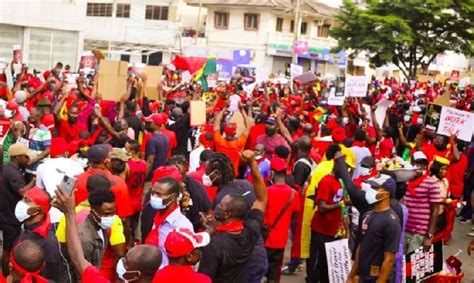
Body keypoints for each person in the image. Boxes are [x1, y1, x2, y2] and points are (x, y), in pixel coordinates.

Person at [53, 187, 163, 283]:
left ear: (136, 274)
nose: (121, 261)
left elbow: (80, 263)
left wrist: (69, 213)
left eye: (126, 261)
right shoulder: (88, 235)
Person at [198, 150, 267, 283]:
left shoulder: (222, 198)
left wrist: (207, 227)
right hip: (258, 255)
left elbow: (218, 229)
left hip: (239, 264)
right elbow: (261, 198)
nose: (205, 175)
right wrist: (252, 163)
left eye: (207, 172)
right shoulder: (245, 184)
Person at [56, 174, 127, 282]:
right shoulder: (84, 238)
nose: (111, 218)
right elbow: (81, 270)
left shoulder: (101, 225)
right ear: (93, 212)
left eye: (113, 213)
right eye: (107, 214)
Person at [347, 175, 402, 283]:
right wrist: (351, 276)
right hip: (362, 276)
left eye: (375, 188)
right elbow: (360, 247)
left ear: (386, 194)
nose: (370, 191)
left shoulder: (391, 222)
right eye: (371, 187)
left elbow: (389, 259)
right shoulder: (367, 216)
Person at [307, 144, 347, 283]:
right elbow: (322, 207)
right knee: (316, 264)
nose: (346, 170)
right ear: (335, 165)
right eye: (343, 166)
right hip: (321, 231)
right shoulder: (326, 181)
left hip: (332, 232)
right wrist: (342, 204)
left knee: (327, 267)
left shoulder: (339, 182)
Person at [142, 177, 194, 268]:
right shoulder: (157, 217)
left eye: (159, 194)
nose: (154, 197)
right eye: (153, 193)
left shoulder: (182, 226)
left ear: (173, 197)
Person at [0, 143, 35, 275]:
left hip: (3, 212)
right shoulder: (14, 173)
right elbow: (23, 191)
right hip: (10, 218)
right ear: (18, 157)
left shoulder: (5, 168)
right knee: (8, 251)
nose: (28, 160)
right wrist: (34, 180)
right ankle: (6, 276)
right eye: (26, 157)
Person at [264, 157, 299, 283]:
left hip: (265, 239)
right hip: (281, 241)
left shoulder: (266, 192)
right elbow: (294, 215)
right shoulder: (293, 194)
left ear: (272, 173)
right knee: (275, 272)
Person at [14, 187, 61, 281]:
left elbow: (51, 277)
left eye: (27, 201)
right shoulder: (26, 228)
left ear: (39, 210)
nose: (21, 203)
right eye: (23, 199)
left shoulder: (49, 244)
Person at [404, 154, 443, 253]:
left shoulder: (431, 183)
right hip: (404, 229)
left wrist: (429, 235)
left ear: (426, 166)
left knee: (411, 263)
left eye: (422, 164)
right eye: (416, 163)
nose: (419, 167)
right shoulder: (405, 182)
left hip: (420, 232)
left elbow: (435, 210)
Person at [213, 106, 250, 176]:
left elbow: (216, 124)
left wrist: (223, 108)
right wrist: (242, 109)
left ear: (224, 132)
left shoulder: (219, 141)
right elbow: (248, 126)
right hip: (233, 175)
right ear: (235, 132)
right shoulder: (238, 144)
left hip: (220, 174)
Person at [125, 140, 147, 242]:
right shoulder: (144, 164)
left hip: (128, 200)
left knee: (126, 229)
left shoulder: (127, 165)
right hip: (138, 200)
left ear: (132, 151)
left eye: (126, 149)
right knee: (134, 227)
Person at [143, 113, 170, 181]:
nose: (146, 124)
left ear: (155, 124)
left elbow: (150, 162)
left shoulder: (152, 140)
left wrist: (142, 179)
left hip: (151, 176)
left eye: (149, 123)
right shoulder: (166, 137)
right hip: (161, 174)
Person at [26, 107, 51, 174]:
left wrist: (33, 160)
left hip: (39, 168)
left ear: (38, 116)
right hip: (30, 167)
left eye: (31, 114)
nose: (29, 116)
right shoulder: (32, 129)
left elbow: (47, 150)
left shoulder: (44, 131)